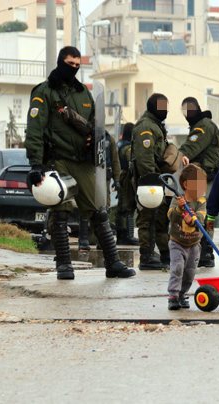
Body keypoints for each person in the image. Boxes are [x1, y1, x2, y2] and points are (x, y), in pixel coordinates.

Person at [24, 46, 134, 280]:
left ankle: (113, 263)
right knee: (60, 212)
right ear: (60, 62)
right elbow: (34, 129)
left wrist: (95, 140)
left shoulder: (84, 92)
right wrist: (35, 163)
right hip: (58, 159)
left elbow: (96, 125)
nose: (73, 68)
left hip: (83, 161)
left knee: (99, 211)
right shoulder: (44, 92)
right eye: (69, 64)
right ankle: (64, 264)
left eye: (77, 65)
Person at [178, 97, 219, 268]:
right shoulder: (199, 125)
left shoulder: (203, 126)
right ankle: (202, 253)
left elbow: (190, 149)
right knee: (199, 213)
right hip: (200, 177)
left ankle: (206, 254)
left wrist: (172, 156)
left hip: (205, 177)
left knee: (202, 213)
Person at [132, 93, 171, 271]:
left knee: (158, 217)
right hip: (148, 182)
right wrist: (152, 181)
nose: (166, 111)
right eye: (163, 107)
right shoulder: (146, 127)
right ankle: (146, 256)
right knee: (146, 218)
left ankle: (157, 253)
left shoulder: (156, 126)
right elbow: (145, 159)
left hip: (157, 180)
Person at [167, 164, 207, 310]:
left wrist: (193, 218)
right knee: (177, 268)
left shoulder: (201, 201)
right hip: (178, 242)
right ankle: (173, 295)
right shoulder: (177, 200)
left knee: (190, 272)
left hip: (194, 244)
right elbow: (172, 217)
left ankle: (182, 294)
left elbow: (202, 218)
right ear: (186, 185)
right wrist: (179, 208)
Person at [78, 130, 121, 251]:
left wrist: (117, 180)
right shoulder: (84, 135)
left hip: (104, 176)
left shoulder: (108, 138)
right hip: (87, 173)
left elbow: (115, 160)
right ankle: (83, 240)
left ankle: (101, 240)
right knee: (86, 206)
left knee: (103, 208)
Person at [115, 123, 139, 245]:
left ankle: (124, 235)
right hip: (125, 178)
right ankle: (124, 235)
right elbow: (132, 159)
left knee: (124, 206)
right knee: (125, 207)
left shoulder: (119, 144)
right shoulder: (126, 147)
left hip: (121, 177)